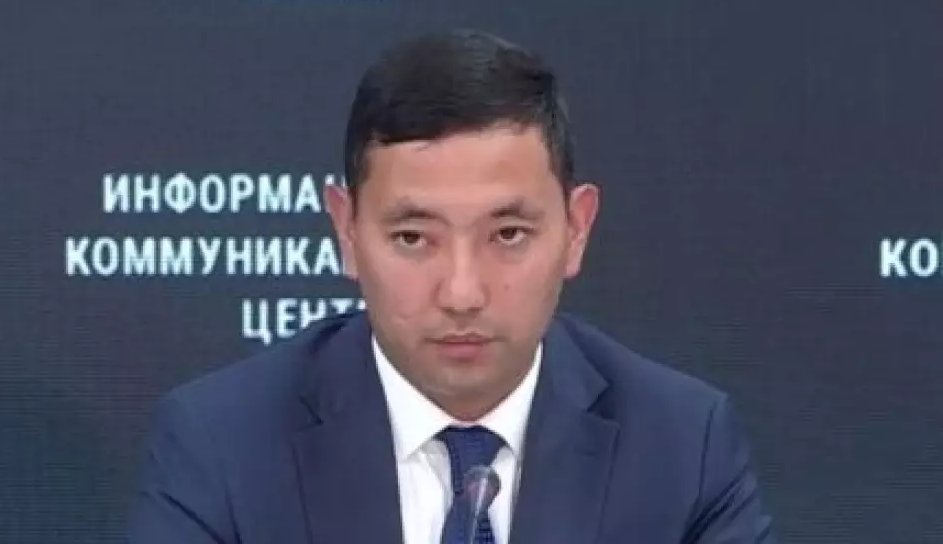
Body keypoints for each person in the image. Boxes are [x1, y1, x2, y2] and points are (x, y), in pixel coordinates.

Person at [127, 29, 778, 544]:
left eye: (508, 234)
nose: (462, 293)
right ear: (347, 232)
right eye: (414, 238)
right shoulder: (222, 447)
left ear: (576, 229)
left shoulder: (682, 449)